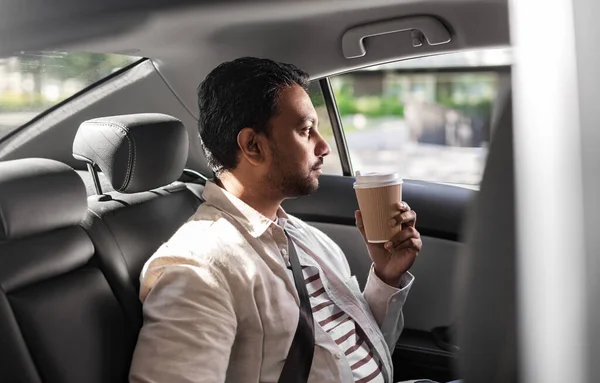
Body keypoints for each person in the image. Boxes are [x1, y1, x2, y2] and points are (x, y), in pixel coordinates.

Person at [129, 57, 423, 383]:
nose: (324, 147)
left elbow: (359, 350)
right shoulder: (198, 268)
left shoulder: (308, 239)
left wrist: (386, 275)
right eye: (306, 130)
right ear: (253, 146)